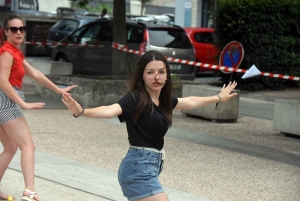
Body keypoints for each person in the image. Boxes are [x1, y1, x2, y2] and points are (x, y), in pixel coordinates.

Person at [62, 50, 237, 201]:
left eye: (161, 72)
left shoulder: (163, 101)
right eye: (150, 72)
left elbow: (190, 101)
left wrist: (218, 98)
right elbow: (110, 109)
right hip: (138, 169)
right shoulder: (135, 98)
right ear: (142, 75)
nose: (156, 77)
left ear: (167, 75)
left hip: (149, 166)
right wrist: (82, 111)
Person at [0, 14, 77, 201]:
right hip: (6, 101)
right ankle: (29, 191)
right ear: (5, 32)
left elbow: (35, 73)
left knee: (10, 147)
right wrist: (23, 103)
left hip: (5, 101)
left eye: (22, 29)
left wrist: (59, 90)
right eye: (14, 29)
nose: (19, 32)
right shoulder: (7, 52)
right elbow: (2, 81)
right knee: (28, 146)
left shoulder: (15, 52)